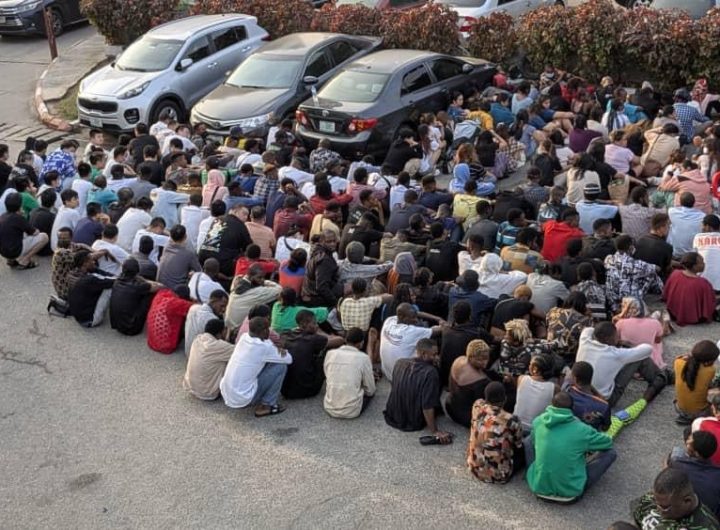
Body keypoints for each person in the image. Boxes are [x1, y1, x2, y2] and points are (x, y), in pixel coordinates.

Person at [526, 392, 616, 503]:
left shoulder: (538, 421)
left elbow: (534, 444)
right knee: (611, 453)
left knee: (528, 440)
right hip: (570, 493)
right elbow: (607, 442)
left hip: (538, 487)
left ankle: (538, 474)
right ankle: (577, 483)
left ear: (551, 405)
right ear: (572, 409)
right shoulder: (582, 430)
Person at [576, 322, 667, 407]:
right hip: (604, 400)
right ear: (608, 339)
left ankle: (660, 377)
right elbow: (648, 349)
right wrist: (629, 345)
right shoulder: (616, 354)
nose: (618, 338)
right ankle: (659, 378)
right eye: (616, 336)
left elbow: (587, 329)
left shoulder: (584, 342)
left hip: (579, 393)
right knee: (640, 358)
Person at [220, 316, 292, 417]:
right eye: (268, 328)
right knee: (281, 366)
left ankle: (263, 400)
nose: (270, 331)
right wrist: (280, 349)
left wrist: (273, 349)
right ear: (263, 331)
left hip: (227, 394)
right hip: (244, 399)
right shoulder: (264, 347)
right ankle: (267, 405)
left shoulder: (244, 337)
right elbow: (288, 359)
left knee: (266, 362)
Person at [383, 338, 452, 443]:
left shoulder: (400, 362)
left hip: (393, 414)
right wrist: (434, 431)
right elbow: (427, 406)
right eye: (434, 354)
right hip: (412, 420)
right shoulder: (430, 373)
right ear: (424, 354)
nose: (437, 357)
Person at [466, 381, 524, 484]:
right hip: (498, 475)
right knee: (525, 449)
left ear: (486, 397)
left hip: (474, 467)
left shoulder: (477, 406)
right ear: (505, 399)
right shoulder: (511, 420)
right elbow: (518, 445)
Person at [281, 310, 343, 400]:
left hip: (286, 391)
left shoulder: (285, 335)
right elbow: (340, 340)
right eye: (314, 323)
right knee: (328, 350)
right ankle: (337, 382)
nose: (316, 325)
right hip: (308, 390)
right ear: (304, 325)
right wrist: (319, 332)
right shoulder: (313, 339)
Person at [632, 468, 720, 529]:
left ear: (687, 501)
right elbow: (638, 519)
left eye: (665, 507)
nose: (657, 508)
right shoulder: (653, 499)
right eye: (655, 500)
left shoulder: (707, 526)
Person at [379, 303, 441, 381]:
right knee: (432, 358)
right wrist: (442, 322)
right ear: (402, 317)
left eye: (416, 316)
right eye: (412, 317)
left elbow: (415, 313)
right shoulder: (410, 332)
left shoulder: (389, 321)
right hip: (403, 378)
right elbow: (438, 330)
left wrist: (436, 318)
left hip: (388, 373)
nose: (416, 320)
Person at [323, 327, 376, 419]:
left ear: (345, 340)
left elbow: (327, 374)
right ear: (361, 343)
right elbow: (370, 391)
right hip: (352, 411)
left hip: (329, 407)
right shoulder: (363, 358)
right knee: (369, 389)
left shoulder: (330, 353)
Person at [445, 339, 498, 428]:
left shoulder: (458, 360)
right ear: (470, 357)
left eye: (486, 358)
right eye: (480, 360)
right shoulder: (481, 380)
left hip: (450, 406)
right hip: (467, 417)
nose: (484, 363)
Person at [667, 431, 720, 519]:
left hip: (689, 514)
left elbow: (669, 462)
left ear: (696, 453)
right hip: (710, 516)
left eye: (689, 442)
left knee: (676, 451)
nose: (687, 441)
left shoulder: (678, 462)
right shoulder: (717, 473)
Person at [604, 235, 663, 313]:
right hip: (629, 303)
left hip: (612, 301)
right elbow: (657, 268)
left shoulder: (608, 259)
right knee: (651, 274)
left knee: (637, 275)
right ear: (631, 247)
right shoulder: (634, 264)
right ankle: (662, 292)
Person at [109, 258, 162, 335]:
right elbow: (160, 286)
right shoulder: (138, 286)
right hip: (132, 328)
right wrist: (145, 280)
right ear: (137, 271)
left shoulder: (117, 281)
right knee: (150, 294)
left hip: (117, 325)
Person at [663, 252, 717, 326]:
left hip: (673, 313)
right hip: (695, 318)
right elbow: (710, 303)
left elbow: (666, 293)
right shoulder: (703, 283)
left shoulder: (675, 274)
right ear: (694, 266)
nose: (704, 264)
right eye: (701, 262)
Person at [225, 264, 282, 332]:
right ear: (251, 277)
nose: (262, 280)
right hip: (239, 329)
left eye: (263, 277)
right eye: (259, 277)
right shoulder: (256, 292)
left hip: (228, 326)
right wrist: (265, 282)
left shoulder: (236, 283)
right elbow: (279, 289)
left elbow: (239, 276)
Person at [675, 341, 720, 424]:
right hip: (700, 412)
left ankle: (686, 417)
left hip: (679, 408)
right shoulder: (710, 370)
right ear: (708, 361)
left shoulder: (678, 362)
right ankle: (696, 419)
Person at [67, 250, 115, 327]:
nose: (94, 262)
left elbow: (106, 275)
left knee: (102, 282)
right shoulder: (90, 280)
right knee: (109, 288)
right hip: (90, 320)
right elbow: (114, 282)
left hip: (78, 315)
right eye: (91, 260)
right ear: (85, 263)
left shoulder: (72, 273)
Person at [0, 193, 49, 269]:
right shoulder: (18, 218)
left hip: (3, 252)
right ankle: (25, 260)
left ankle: (11, 260)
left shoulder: (2, 216)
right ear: (19, 206)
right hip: (15, 250)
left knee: (15, 234)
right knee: (44, 237)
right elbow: (35, 232)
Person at [614, 295, 665, 369]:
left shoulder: (620, 323)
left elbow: (616, 341)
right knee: (658, 343)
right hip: (648, 361)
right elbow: (658, 341)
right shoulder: (655, 323)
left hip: (627, 361)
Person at [514, 354, 559, 432]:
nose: (528, 366)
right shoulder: (555, 388)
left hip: (516, 426)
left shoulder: (521, 379)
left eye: (530, 364)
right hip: (536, 431)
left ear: (535, 369)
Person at [146, 285, 195, 354]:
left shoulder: (161, 295)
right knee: (190, 313)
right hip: (166, 346)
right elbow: (196, 307)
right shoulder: (178, 303)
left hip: (152, 341)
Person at [565, 361, 611, 431]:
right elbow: (605, 428)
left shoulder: (567, 391)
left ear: (575, 379)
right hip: (588, 438)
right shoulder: (604, 406)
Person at [302, 230, 341, 307]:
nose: (333, 244)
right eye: (329, 242)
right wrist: (335, 303)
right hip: (314, 296)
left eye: (334, 241)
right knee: (348, 288)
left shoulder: (316, 250)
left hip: (309, 291)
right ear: (322, 241)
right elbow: (321, 287)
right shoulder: (324, 260)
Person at [183, 289, 228, 356]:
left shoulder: (193, 307)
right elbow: (219, 344)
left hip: (188, 352)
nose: (224, 309)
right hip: (198, 358)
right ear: (213, 301)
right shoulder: (212, 319)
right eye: (222, 306)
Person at [156, 225, 201, 291]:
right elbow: (199, 271)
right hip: (176, 291)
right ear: (185, 236)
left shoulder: (166, 247)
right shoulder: (189, 254)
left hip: (160, 287)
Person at [635, 213, 675, 278]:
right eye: (668, 225)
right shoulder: (667, 247)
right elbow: (667, 268)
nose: (669, 228)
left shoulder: (640, 240)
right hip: (655, 281)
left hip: (638, 277)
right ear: (661, 227)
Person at [668, 192, 706, 257]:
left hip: (676, 253)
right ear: (694, 203)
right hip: (693, 255)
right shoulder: (702, 216)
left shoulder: (672, 212)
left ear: (680, 202)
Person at [693, 214, 720, 291]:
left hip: (702, 284)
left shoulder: (698, 237)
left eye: (703, 225)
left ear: (708, 227)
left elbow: (694, 257)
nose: (701, 228)